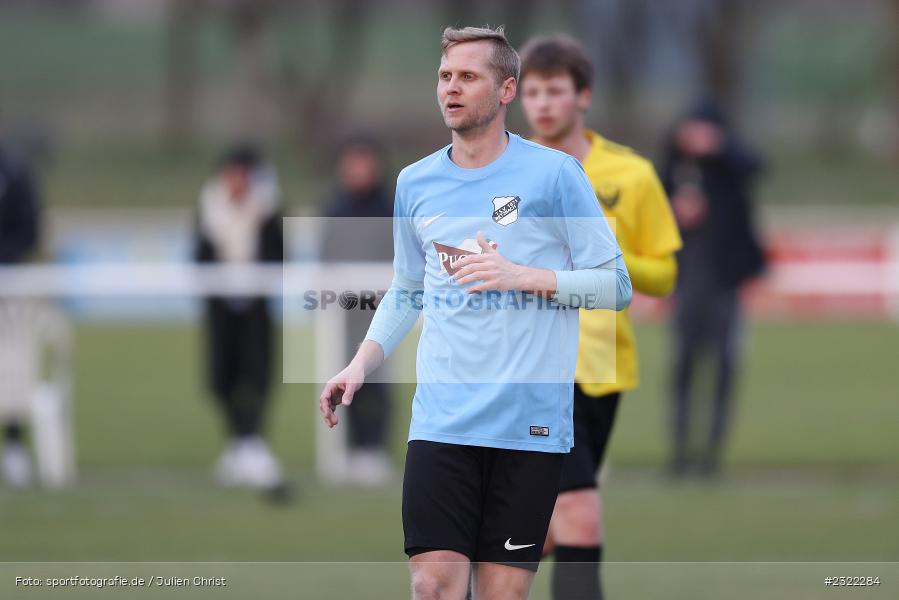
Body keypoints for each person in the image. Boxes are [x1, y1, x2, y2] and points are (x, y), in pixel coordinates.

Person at [319, 26, 631, 600]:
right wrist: (359, 364)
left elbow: (615, 286)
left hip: (530, 429)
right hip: (443, 423)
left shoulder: (555, 176)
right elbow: (407, 288)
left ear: (507, 88)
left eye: (468, 77)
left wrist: (524, 277)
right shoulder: (414, 182)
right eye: (444, 77)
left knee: (500, 595)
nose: (451, 89)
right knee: (434, 586)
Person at [519, 35, 682, 599]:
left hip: (602, 366)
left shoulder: (631, 174)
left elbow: (663, 275)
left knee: (547, 528)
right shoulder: (506, 171)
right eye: (532, 92)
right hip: (529, 365)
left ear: (583, 95)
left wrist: (602, 249)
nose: (542, 103)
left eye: (555, 90)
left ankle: (461, 573)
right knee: (581, 514)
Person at [660, 97, 765, 478]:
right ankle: (679, 451)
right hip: (687, 281)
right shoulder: (674, 169)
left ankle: (712, 454)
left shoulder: (729, 168)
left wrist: (719, 147)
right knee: (683, 366)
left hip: (725, 283)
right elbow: (653, 197)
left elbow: (756, 167)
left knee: (724, 366)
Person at [194, 145, 285, 490]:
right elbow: (199, 257)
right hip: (220, 308)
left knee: (258, 375)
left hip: (256, 308)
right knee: (220, 378)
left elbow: (279, 255)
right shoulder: (208, 208)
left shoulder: (267, 210)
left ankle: (253, 442)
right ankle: (239, 441)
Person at [319, 135, 395, 485]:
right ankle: (345, 448)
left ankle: (372, 448)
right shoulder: (334, 206)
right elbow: (327, 258)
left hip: (381, 309)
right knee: (340, 375)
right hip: (344, 311)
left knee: (377, 379)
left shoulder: (390, 205)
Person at [0, 138, 41, 488]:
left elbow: (30, 227)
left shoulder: (15, 172)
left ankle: (14, 447)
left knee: (13, 365)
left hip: (10, 284)